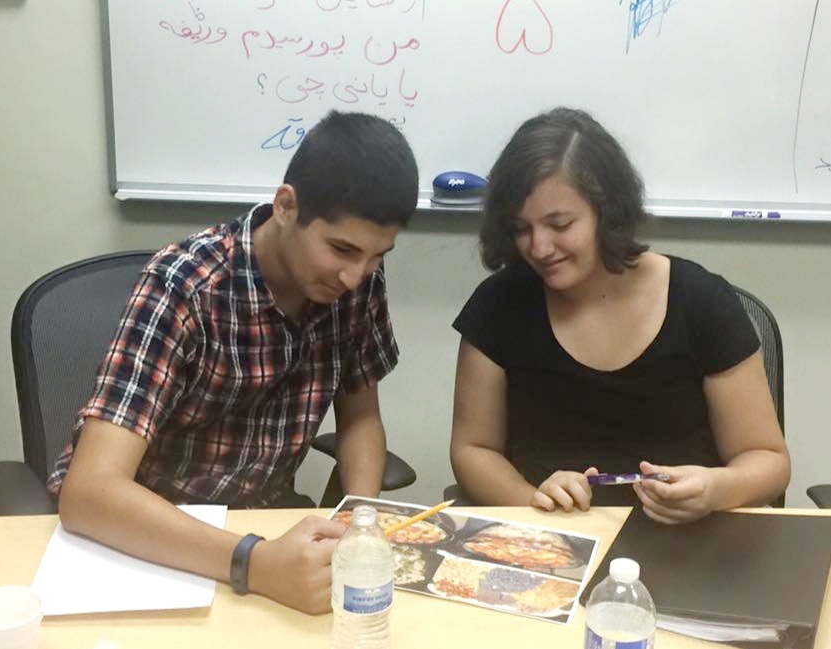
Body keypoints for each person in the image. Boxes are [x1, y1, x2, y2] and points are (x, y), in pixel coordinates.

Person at [49, 110, 419, 613]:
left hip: (261, 527)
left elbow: (361, 419)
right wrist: (255, 563)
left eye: (378, 256)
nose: (355, 276)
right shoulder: (184, 286)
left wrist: (359, 521)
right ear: (286, 206)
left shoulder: (356, 287)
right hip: (148, 537)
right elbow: (90, 491)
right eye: (341, 249)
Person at [450, 107, 790, 524]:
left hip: (687, 541)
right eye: (522, 228)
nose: (539, 247)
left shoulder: (701, 301)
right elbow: (473, 450)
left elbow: (767, 460)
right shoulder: (499, 305)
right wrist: (533, 501)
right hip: (549, 543)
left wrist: (714, 490)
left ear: (607, 213)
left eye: (560, 224)